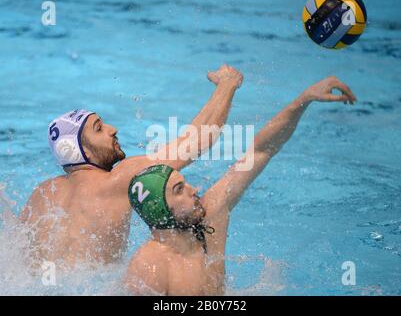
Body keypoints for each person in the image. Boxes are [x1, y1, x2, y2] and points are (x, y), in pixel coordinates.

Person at [124, 76, 357, 295]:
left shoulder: (210, 214)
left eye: (185, 184)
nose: (194, 190)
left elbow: (260, 151)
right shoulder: (149, 266)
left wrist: (303, 99)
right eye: (179, 190)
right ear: (160, 210)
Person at [19, 65, 244, 270]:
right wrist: (227, 84)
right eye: (99, 129)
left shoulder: (42, 194)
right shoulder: (119, 179)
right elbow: (196, 142)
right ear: (82, 151)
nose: (112, 129)